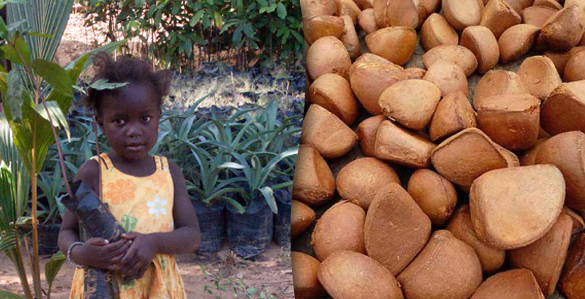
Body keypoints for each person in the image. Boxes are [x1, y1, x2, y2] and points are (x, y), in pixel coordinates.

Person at [58, 52, 201, 299]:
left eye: (145, 119)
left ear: (158, 117)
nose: (133, 131)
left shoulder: (169, 172)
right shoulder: (94, 172)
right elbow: (65, 232)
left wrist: (153, 243)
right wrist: (82, 254)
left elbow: (192, 235)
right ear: (101, 123)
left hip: (157, 288)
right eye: (119, 121)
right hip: (104, 289)